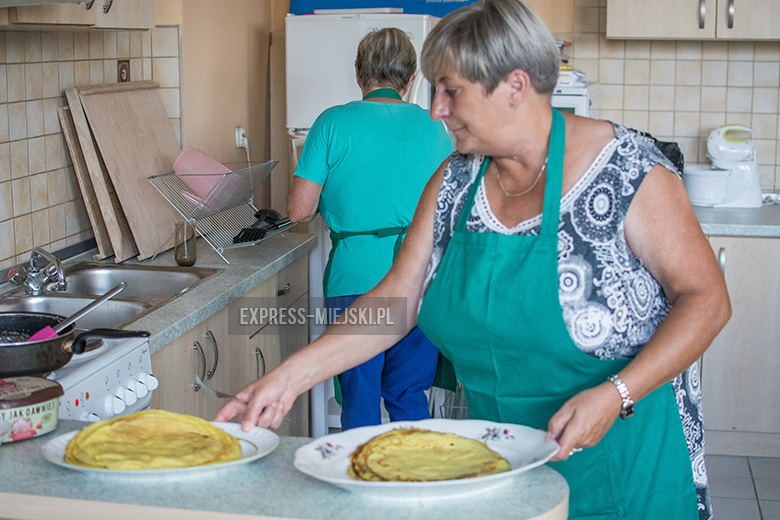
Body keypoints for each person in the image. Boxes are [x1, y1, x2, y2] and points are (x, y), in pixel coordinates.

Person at [217, 2, 730, 518]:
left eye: (451, 90)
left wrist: (617, 392)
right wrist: (287, 378)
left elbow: (707, 301)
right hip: (507, 470)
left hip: (627, 466)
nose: (436, 108)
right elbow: (396, 302)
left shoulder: (627, 174)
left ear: (515, 85)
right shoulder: (455, 183)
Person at [284, 27, 452, 430]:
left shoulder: (331, 124)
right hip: (420, 279)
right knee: (409, 394)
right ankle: (415, 485)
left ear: (359, 74)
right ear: (410, 81)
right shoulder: (436, 128)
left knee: (360, 400)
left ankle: (357, 485)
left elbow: (298, 211)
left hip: (356, 279)